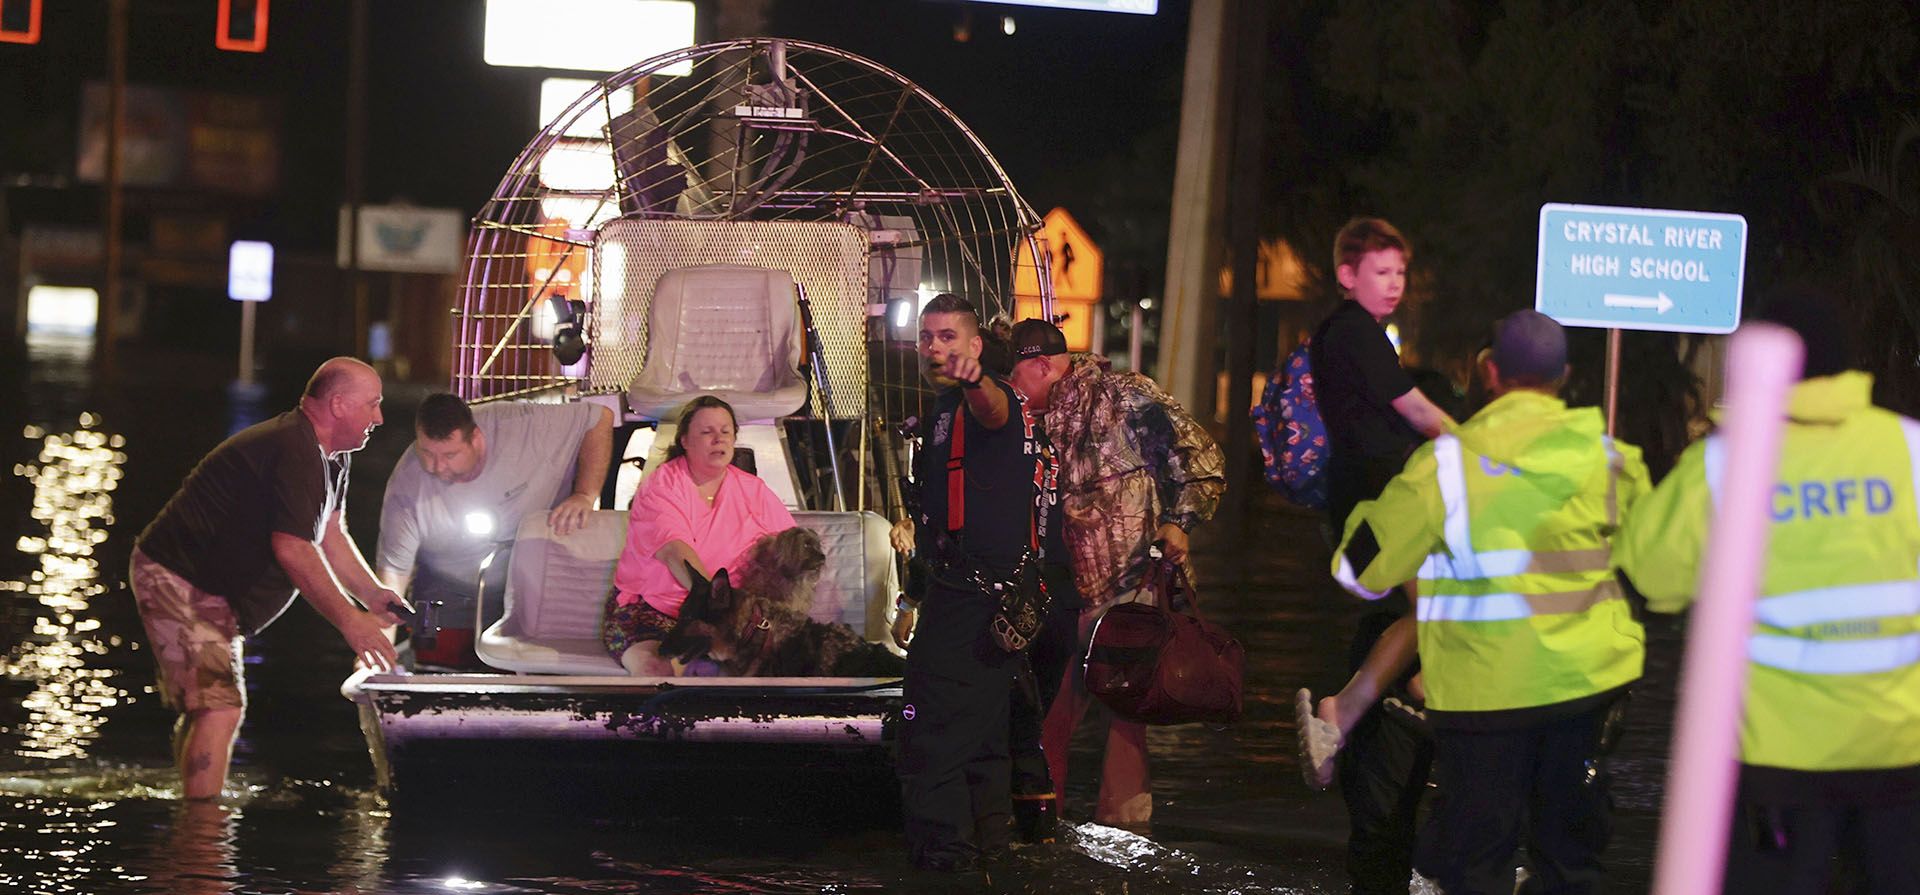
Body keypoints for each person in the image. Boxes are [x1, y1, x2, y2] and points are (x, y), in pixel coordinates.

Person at [1331, 310, 1649, 894]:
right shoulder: (1609, 460)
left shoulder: (1447, 464)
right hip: (1584, 690)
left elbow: (1358, 567)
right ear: (1565, 376)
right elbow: (1658, 568)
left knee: (1477, 859)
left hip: (1483, 696)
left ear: (1491, 373)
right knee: (1570, 860)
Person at [1616, 286, 1920, 895]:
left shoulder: (1723, 464)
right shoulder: (1909, 449)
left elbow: (1651, 576)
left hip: (1772, 757)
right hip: (1899, 746)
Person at [128, 357, 407, 800]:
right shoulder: (293, 447)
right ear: (338, 405)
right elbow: (293, 548)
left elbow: (331, 533)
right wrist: (350, 622)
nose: (379, 418)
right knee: (219, 709)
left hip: (214, 592)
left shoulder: (332, 455)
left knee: (212, 707)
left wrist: (371, 594)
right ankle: (200, 838)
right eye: (372, 405)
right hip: (180, 576)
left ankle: (192, 816)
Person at [1004, 317, 1226, 829]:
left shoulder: (1123, 395)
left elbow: (1201, 459)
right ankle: (1039, 836)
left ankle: (1125, 840)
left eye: (1016, 379)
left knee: (1127, 724)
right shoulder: (1024, 421)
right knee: (1046, 718)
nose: (1012, 392)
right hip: (1059, 595)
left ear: (1041, 365)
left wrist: (1178, 523)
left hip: (1131, 591)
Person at [1295, 217, 1455, 893]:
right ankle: (1356, 707)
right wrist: (1493, 450)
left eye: (1400, 273)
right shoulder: (1355, 331)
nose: (1394, 285)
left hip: (1373, 500)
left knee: (1426, 614)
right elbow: (1419, 412)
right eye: (1381, 271)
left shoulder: (1350, 334)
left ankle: (1402, 693)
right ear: (1347, 274)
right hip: (1381, 505)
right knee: (1436, 610)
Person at [895, 293, 1042, 872]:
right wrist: (914, 593)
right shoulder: (941, 408)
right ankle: (992, 857)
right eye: (928, 337)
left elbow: (993, 410)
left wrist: (975, 378)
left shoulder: (987, 397)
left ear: (976, 346)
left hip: (977, 600)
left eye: (949, 337)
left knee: (927, 733)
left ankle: (945, 865)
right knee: (981, 739)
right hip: (969, 596)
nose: (936, 347)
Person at [377, 393, 613, 667]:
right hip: (448, 580)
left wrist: (585, 494)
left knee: (531, 653)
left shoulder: (524, 428)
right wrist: (378, 647)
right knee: (436, 648)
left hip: (532, 572)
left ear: (476, 439)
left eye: (450, 455)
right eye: (427, 453)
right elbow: (393, 573)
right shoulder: (407, 484)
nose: (437, 467)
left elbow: (599, 418)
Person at [601, 395, 797, 676]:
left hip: (727, 619)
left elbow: (790, 551)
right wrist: (718, 609)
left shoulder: (755, 490)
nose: (718, 439)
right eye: (707, 432)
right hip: (652, 613)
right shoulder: (662, 484)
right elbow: (674, 552)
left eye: (725, 431)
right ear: (685, 441)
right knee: (654, 669)